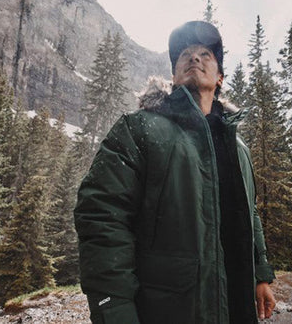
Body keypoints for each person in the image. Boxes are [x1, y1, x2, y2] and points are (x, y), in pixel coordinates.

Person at [73, 21, 277, 323]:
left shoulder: (238, 147)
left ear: (220, 77)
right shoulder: (138, 128)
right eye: (184, 54)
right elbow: (102, 215)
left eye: (206, 54)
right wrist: (113, 309)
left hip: (235, 305)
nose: (194, 58)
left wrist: (260, 275)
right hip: (167, 309)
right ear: (173, 76)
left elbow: (250, 215)